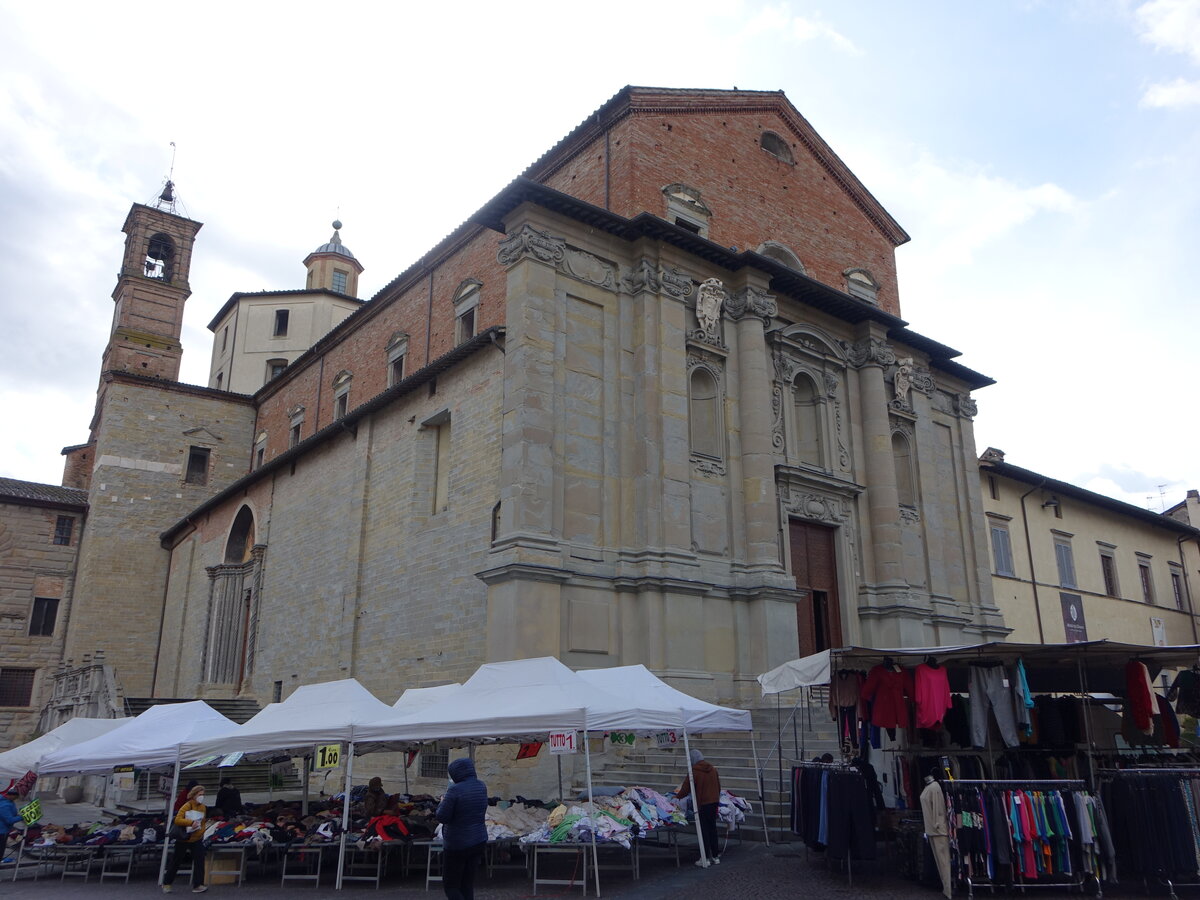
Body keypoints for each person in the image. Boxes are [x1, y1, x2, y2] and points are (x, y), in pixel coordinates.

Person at [435, 758, 487, 900]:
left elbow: (442, 817)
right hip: (478, 839)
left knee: (451, 886)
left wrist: (442, 802)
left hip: (458, 843)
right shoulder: (481, 786)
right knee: (467, 883)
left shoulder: (454, 790)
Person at [676, 748, 721, 867]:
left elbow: (685, 789)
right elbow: (718, 786)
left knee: (704, 831)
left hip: (703, 803)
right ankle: (716, 856)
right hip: (714, 802)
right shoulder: (713, 769)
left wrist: (676, 797)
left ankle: (705, 857)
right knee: (713, 829)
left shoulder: (694, 771)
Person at [164, 784, 208, 893]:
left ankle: (198, 884)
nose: (201, 797)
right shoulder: (187, 805)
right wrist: (191, 822)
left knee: (199, 861)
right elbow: (178, 820)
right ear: (194, 795)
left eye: (203, 794)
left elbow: (203, 822)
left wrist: (201, 832)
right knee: (176, 861)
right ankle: (167, 883)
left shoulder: (203, 807)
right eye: (199, 794)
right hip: (183, 838)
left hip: (196, 838)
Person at [1, 781, 25, 863]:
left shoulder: (10, 802)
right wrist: (22, 817)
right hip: (2, 830)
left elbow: (12, 813)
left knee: (2, 847)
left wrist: (18, 815)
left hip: (4, 829)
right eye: (16, 797)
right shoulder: (4, 805)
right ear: (11, 795)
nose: (16, 799)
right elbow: (9, 820)